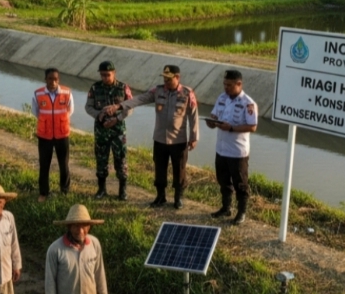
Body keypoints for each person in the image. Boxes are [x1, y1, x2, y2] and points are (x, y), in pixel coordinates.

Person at [105, 65, 199, 209]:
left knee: (179, 170)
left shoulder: (187, 93)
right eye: (164, 79)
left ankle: (178, 198)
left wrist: (194, 137)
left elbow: (193, 116)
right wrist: (119, 106)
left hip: (178, 141)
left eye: (169, 79)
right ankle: (160, 197)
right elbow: (140, 99)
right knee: (159, 169)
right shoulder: (158, 90)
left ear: (177, 78)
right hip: (160, 139)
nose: (166, 82)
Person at [206, 70, 258, 225]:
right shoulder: (222, 98)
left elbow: (253, 126)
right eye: (224, 84)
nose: (226, 88)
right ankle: (226, 208)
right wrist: (211, 123)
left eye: (229, 85)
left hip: (237, 152)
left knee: (240, 184)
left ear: (239, 84)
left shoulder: (248, 103)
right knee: (223, 181)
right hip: (221, 149)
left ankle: (241, 212)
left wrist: (231, 128)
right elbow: (214, 116)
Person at [85, 60, 134, 200]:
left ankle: (122, 191)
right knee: (101, 159)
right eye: (102, 75)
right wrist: (98, 115)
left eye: (108, 75)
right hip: (101, 131)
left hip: (118, 131)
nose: (105, 78)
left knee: (121, 159)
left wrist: (117, 119)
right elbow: (88, 107)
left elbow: (130, 108)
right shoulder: (95, 88)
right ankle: (101, 189)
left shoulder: (123, 88)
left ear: (114, 73)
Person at [32, 68, 73, 203]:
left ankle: (65, 190)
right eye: (50, 79)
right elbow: (36, 112)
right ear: (46, 79)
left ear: (58, 80)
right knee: (44, 164)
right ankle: (44, 192)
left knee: (64, 164)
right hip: (45, 135)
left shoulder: (67, 93)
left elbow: (70, 110)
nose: (53, 82)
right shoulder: (38, 94)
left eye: (55, 79)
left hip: (62, 134)